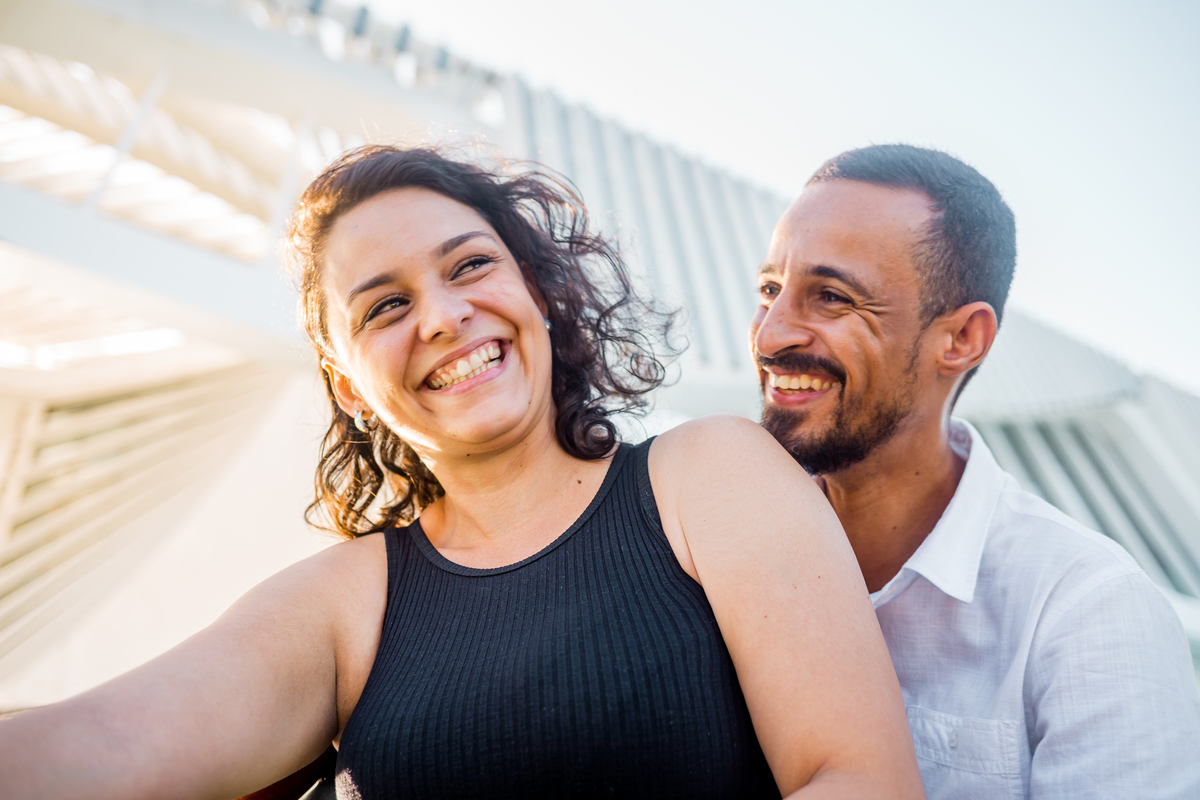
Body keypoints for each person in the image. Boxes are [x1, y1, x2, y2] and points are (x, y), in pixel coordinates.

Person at [0, 145, 924, 799]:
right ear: (350, 388)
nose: (442, 317)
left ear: (538, 294)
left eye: (470, 266)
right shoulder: (339, 604)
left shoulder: (709, 475)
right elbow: (107, 742)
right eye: (386, 306)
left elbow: (861, 779)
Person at [750, 142, 1200, 799]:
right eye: (770, 289)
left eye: (831, 297)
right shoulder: (718, 557)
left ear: (961, 339)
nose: (769, 336)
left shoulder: (1087, 614)